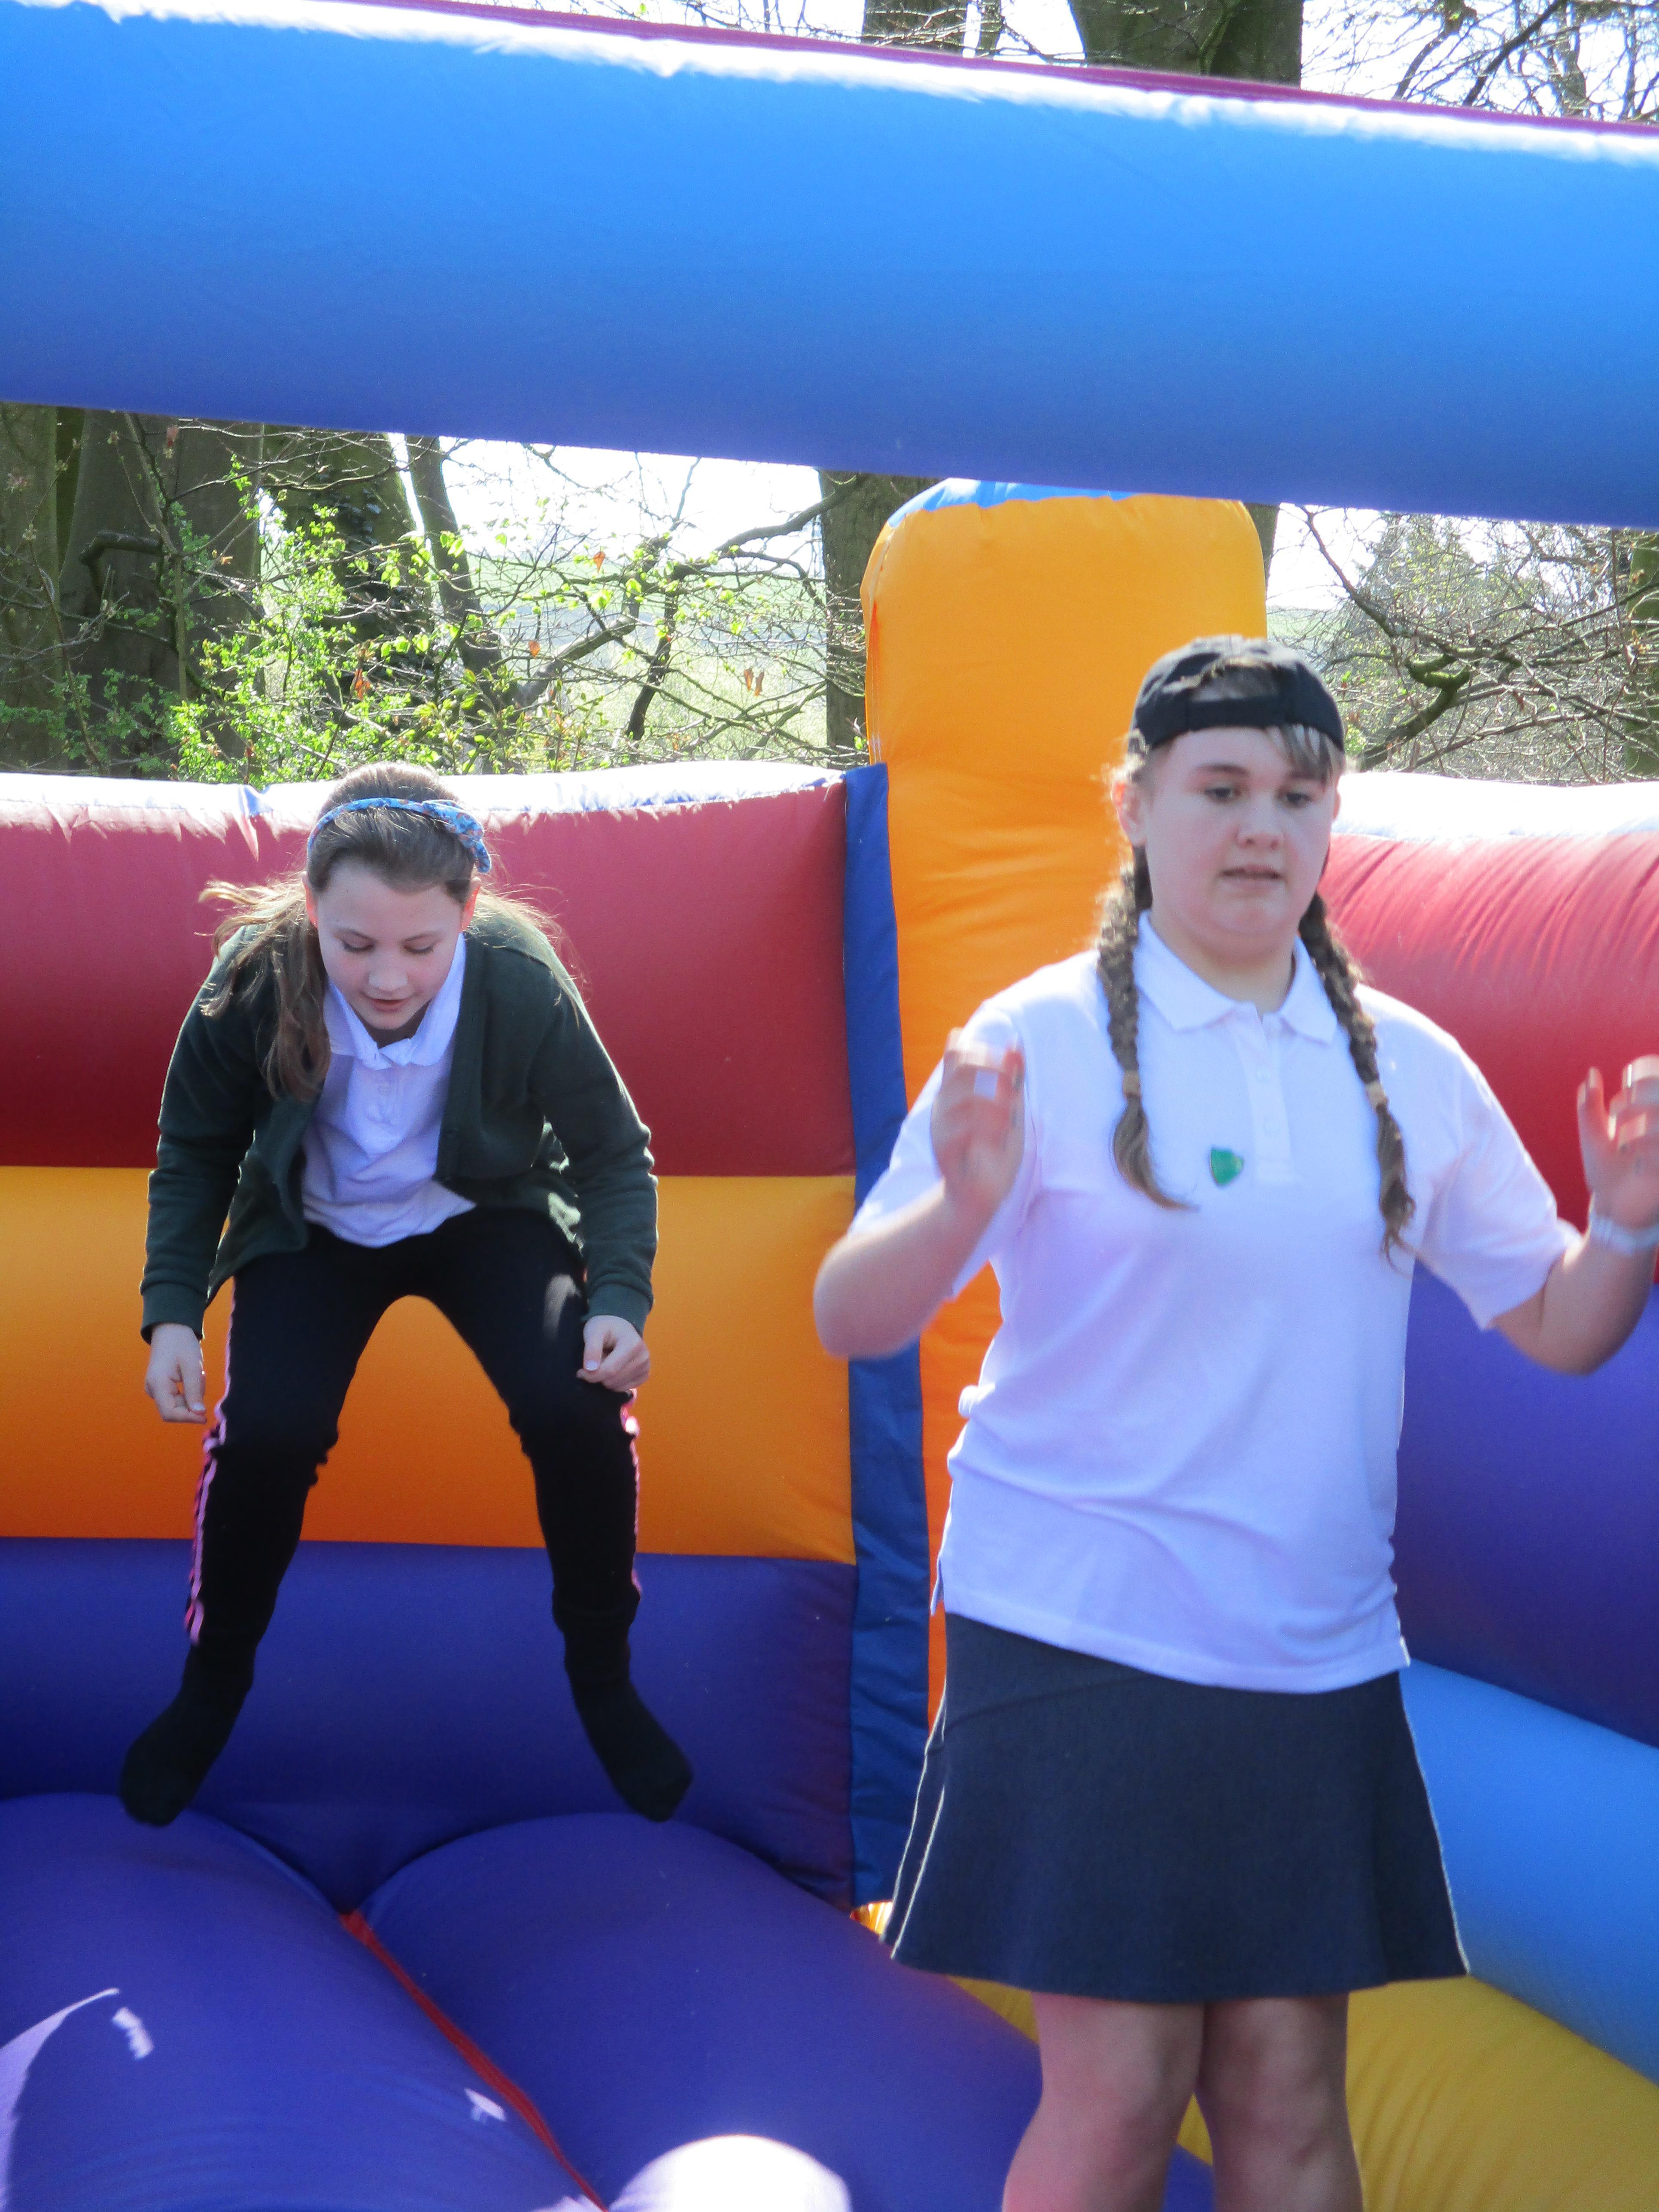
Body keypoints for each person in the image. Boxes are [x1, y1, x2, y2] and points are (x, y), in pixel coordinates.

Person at [814, 637, 1659, 2212]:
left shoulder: (1403, 1063)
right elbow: (849, 1311)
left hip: (1307, 1646)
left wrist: (1622, 1226)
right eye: (1221, 789)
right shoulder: (1040, 1037)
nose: (1262, 826)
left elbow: (1559, 1325)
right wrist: (958, 1212)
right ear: (1134, 806)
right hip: (1079, 1623)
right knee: (1125, 2089)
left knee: (1284, 2090)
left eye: (1297, 794)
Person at [124, 761, 692, 1830]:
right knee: (271, 1432)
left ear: (468, 913)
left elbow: (615, 1152)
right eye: (356, 944)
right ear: (311, 907)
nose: (387, 976)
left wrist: (618, 1297)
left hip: (484, 1213)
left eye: (421, 947)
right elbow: (195, 1151)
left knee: (576, 1405)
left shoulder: (516, 978)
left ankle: (603, 1672)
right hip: (315, 1230)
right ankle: (214, 1678)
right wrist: (173, 1312)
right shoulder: (257, 981)